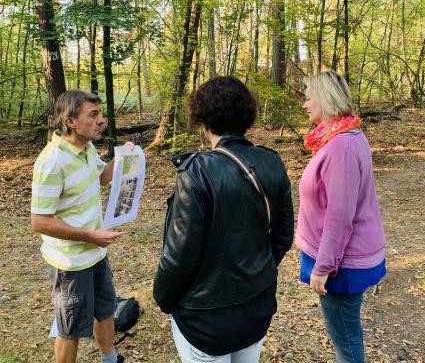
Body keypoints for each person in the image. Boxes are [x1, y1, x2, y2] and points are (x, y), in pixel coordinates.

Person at [153, 76, 294, 363]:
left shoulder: (197, 173)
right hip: (256, 308)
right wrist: (256, 273)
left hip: (206, 321)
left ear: (203, 120)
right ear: (248, 117)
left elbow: (178, 257)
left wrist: (163, 299)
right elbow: (282, 237)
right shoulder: (271, 161)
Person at [31, 90, 132, 363]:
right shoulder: (52, 162)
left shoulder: (86, 149)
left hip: (96, 253)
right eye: (93, 115)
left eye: (100, 114)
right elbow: (39, 221)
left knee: (106, 309)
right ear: (71, 121)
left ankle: (110, 359)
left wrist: (121, 160)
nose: (102, 120)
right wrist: (89, 235)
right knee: (71, 327)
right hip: (70, 263)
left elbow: (100, 178)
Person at [295, 71, 386, 363]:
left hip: (340, 262)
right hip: (336, 256)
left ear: (324, 99)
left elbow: (340, 216)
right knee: (345, 335)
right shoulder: (342, 136)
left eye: (309, 98)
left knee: (346, 341)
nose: (305, 105)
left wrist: (323, 267)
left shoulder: (341, 146)